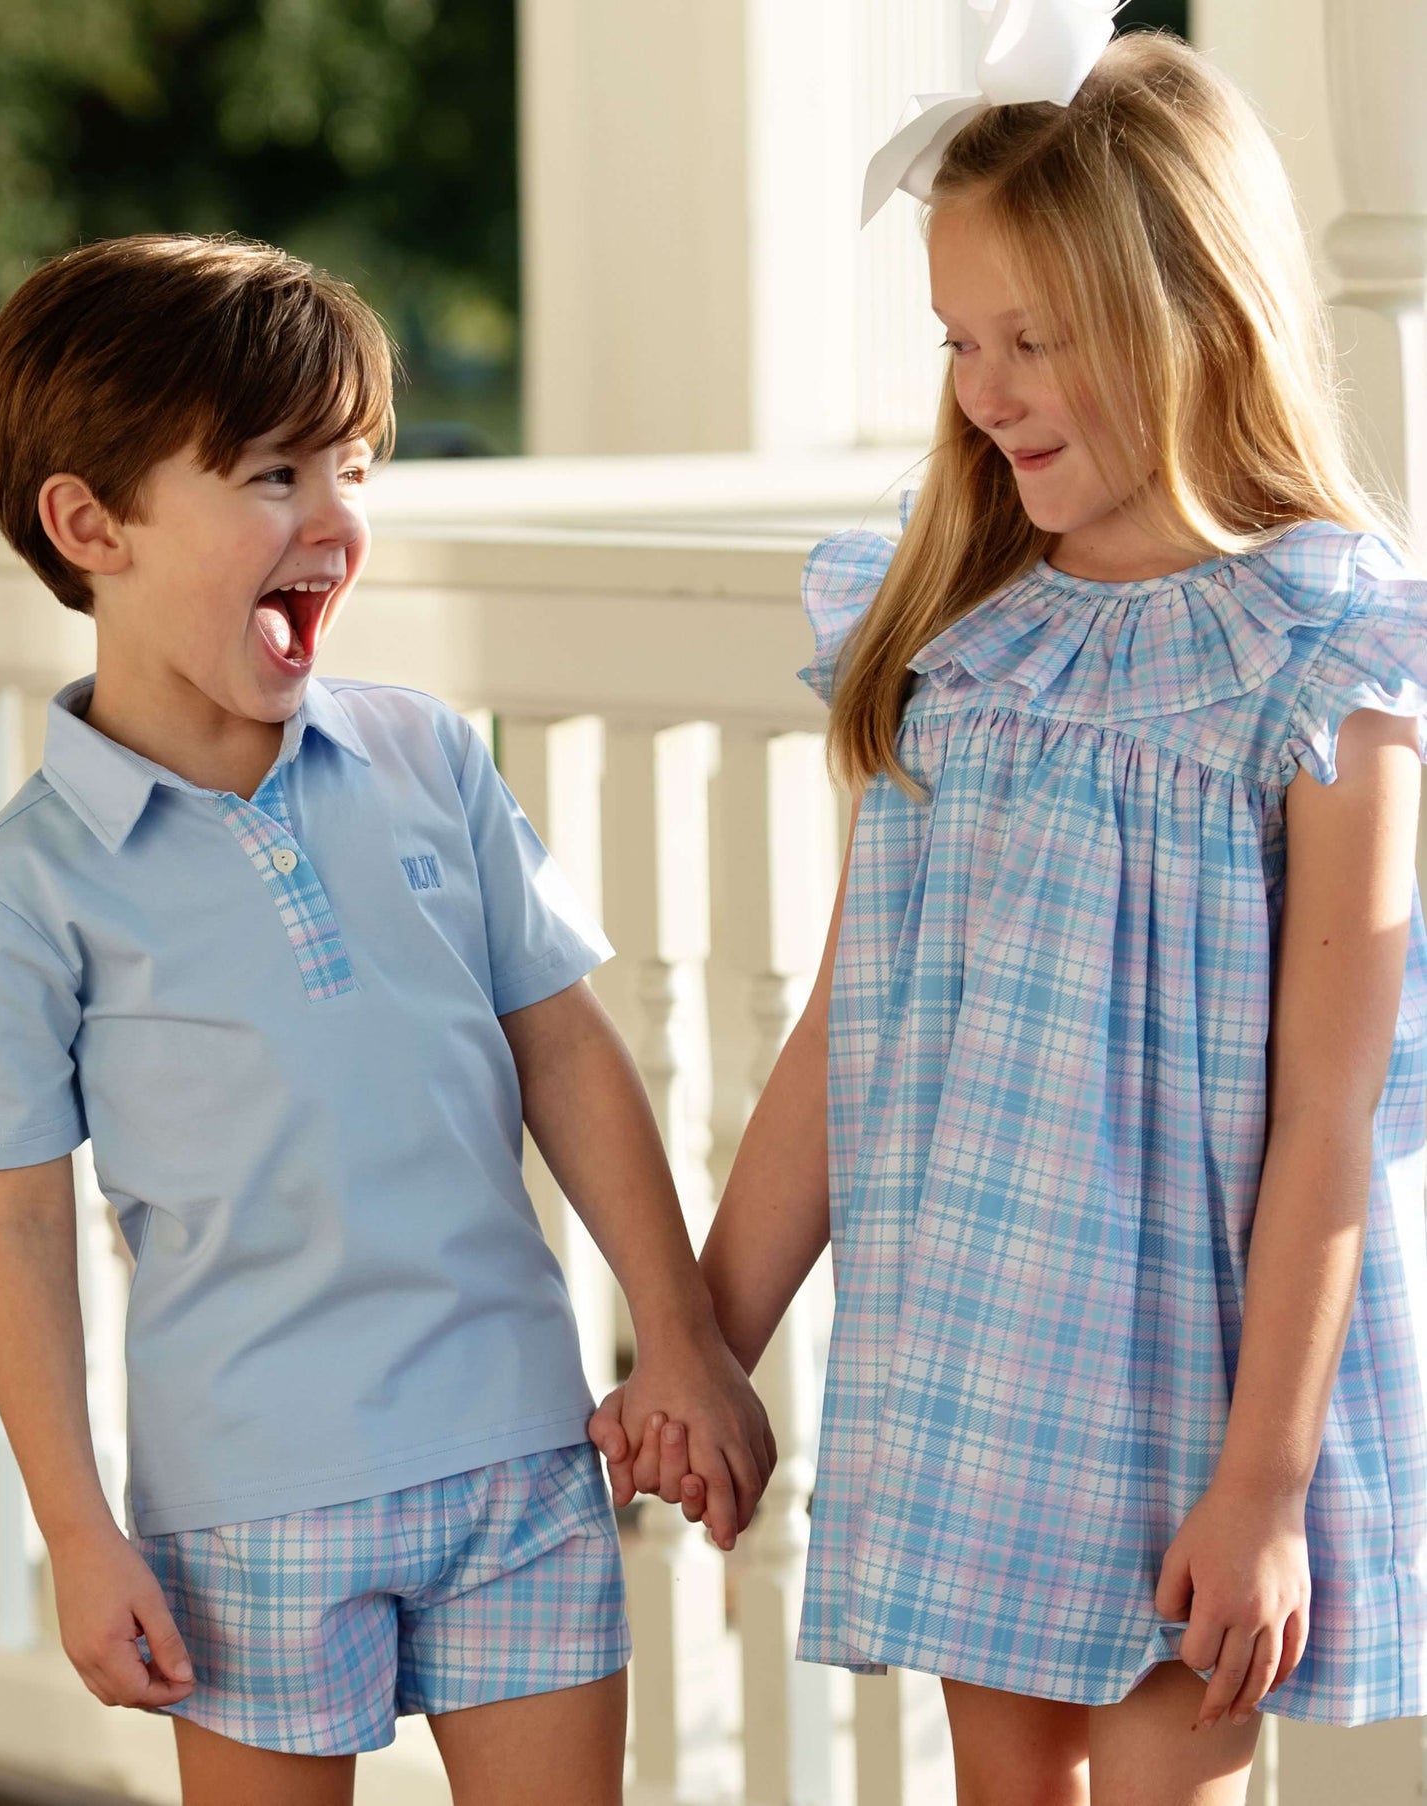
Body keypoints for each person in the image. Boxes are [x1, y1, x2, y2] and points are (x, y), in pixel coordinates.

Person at [592, 27, 1427, 1806]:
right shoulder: (957, 632)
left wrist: (1262, 1483)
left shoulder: (1324, 657)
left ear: (1194, 315)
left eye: (1033, 339)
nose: (984, 388)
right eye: (960, 340)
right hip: (977, 1354)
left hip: (1200, 1386)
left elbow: (1328, 1118)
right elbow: (843, 1035)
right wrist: (703, 1349)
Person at [0, 233, 772, 1806]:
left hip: (520, 1460)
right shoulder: (32, 885)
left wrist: (678, 1336)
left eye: (350, 466)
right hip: (244, 1509)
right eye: (272, 472)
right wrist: (77, 1530)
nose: (333, 519)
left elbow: (567, 1049)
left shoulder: (425, 758)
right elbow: (14, 1228)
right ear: (89, 523)